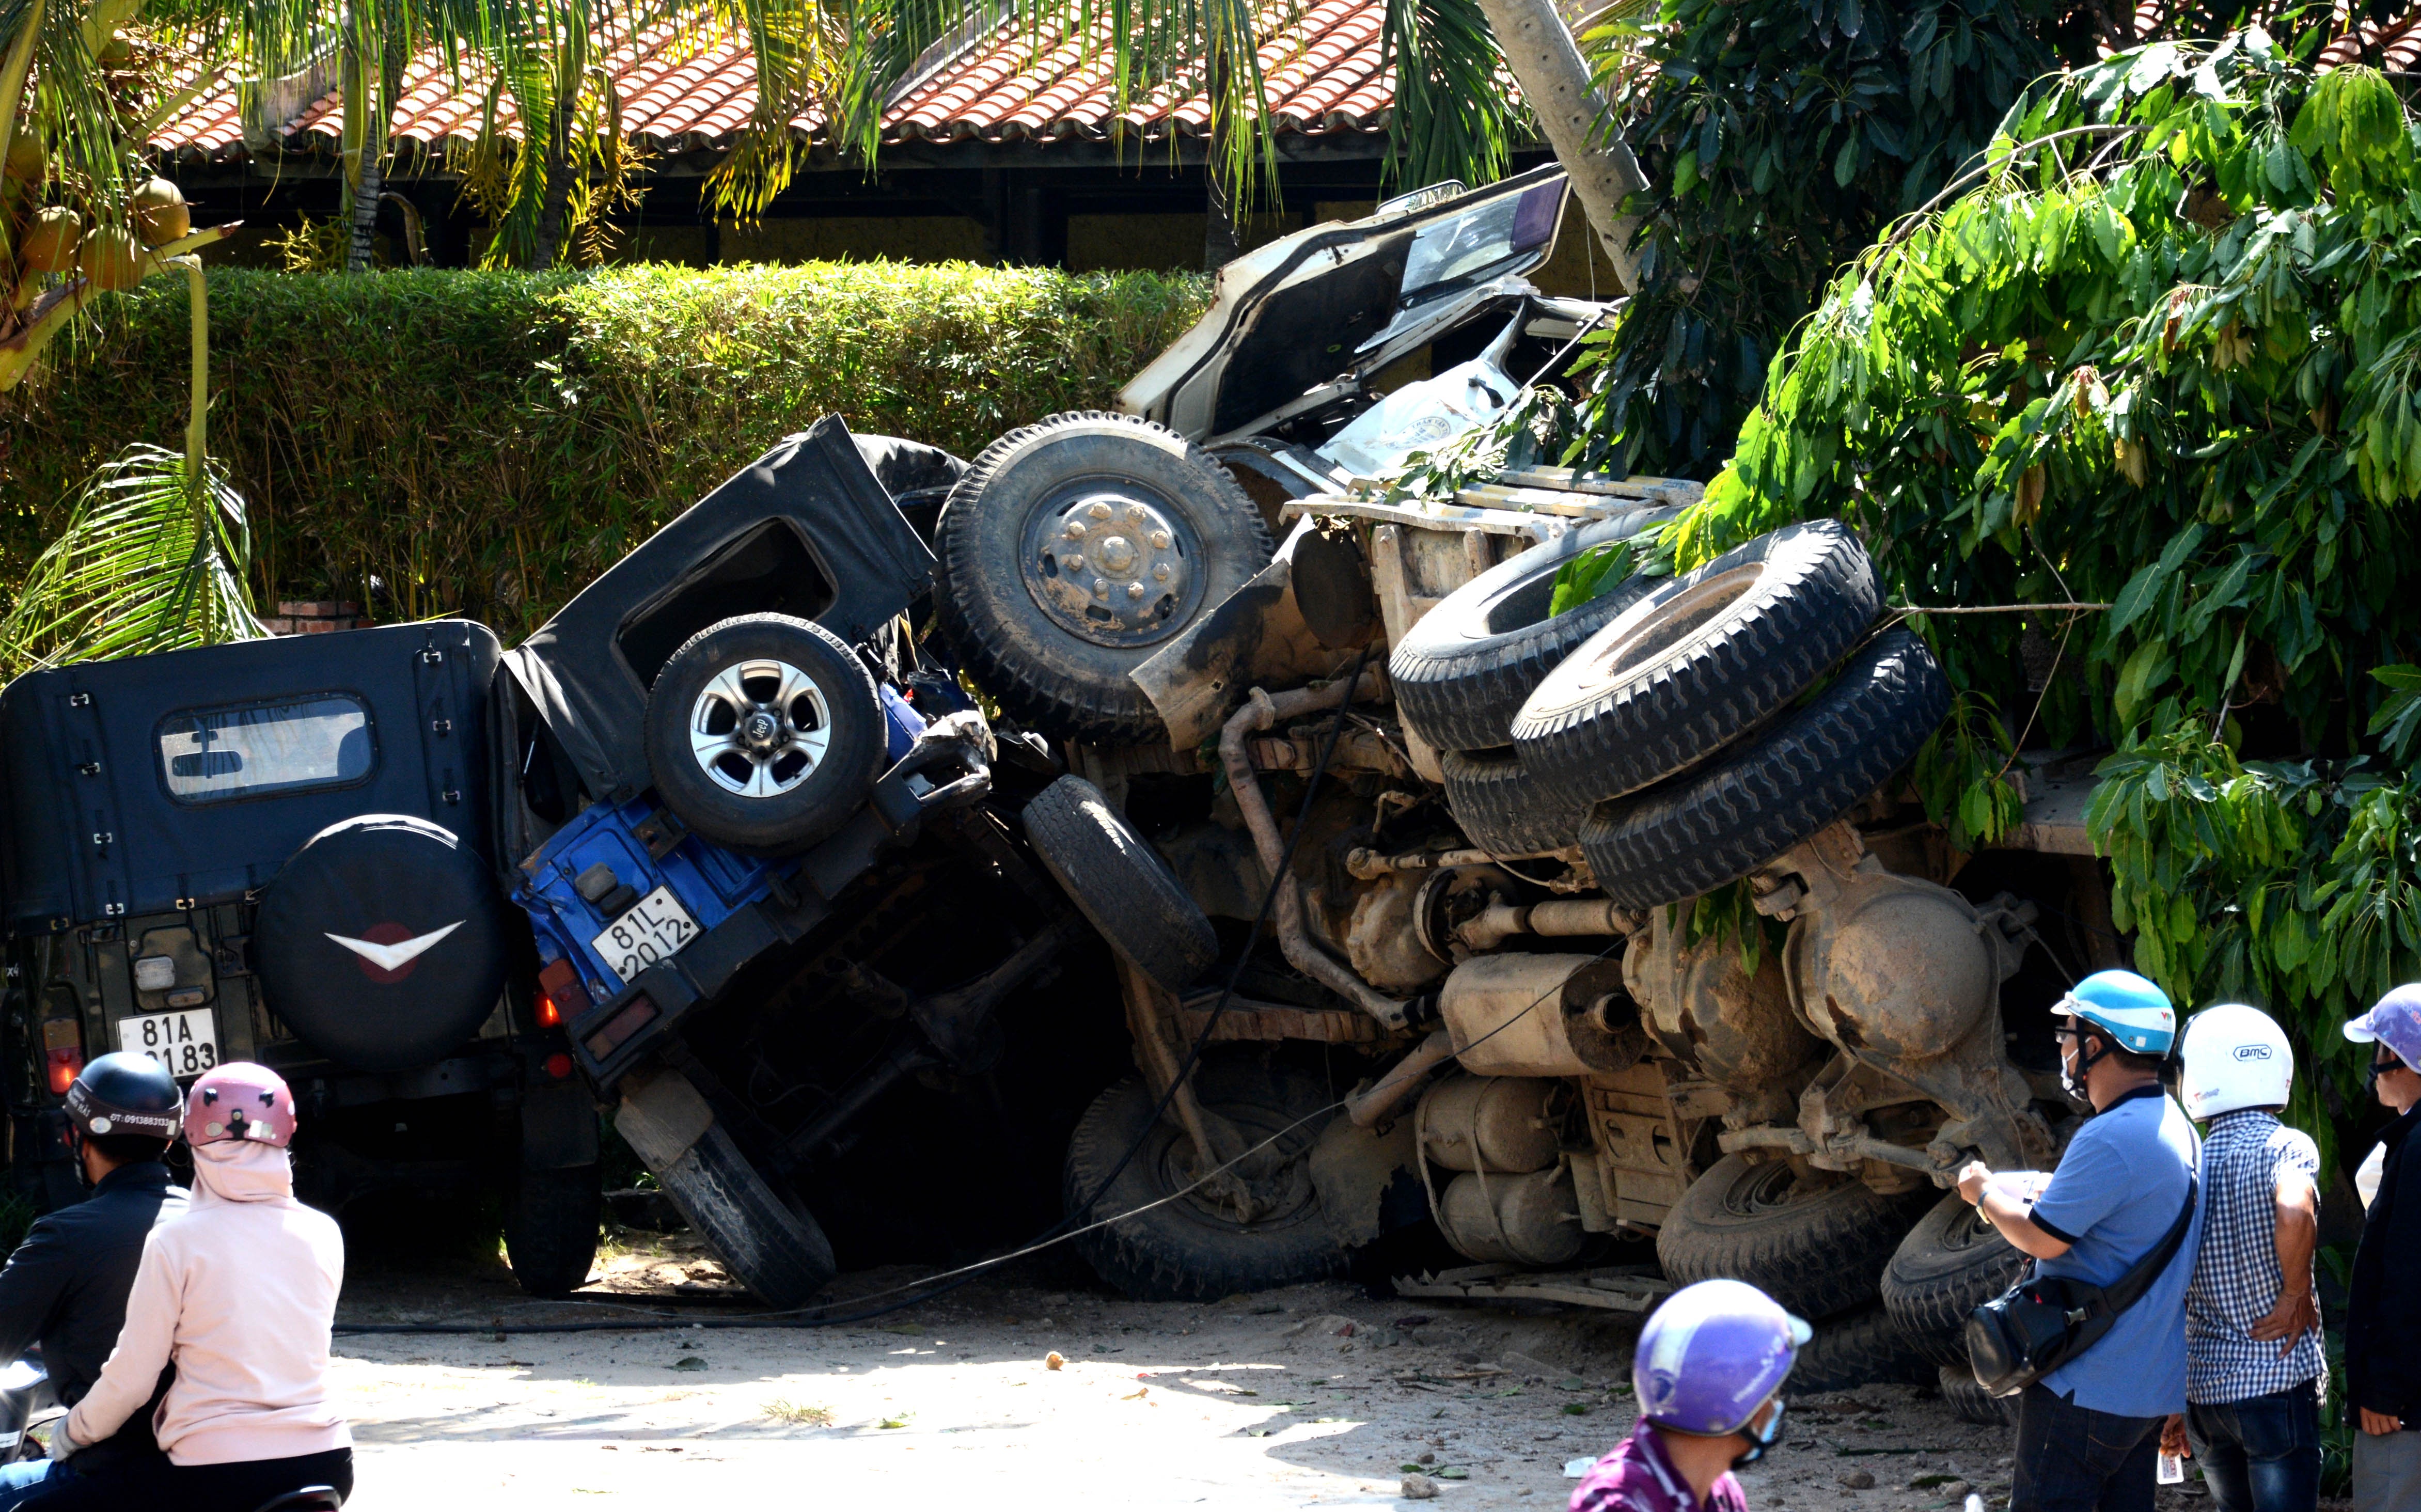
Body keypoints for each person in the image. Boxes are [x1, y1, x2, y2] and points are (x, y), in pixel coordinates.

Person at [22, 1062, 350, 1512]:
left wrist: (68, 1435)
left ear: (193, 1139)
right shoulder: (324, 1232)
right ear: (286, 1133)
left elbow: (132, 1379)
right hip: (329, 1463)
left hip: (214, 1474)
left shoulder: (177, 1240)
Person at [1952, 968, 2201, 1512]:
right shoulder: (2172, 1122)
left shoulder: (2110, 1135)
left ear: (2093, 1046)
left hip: (2085, 1384)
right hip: (2143, 1388)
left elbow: (2041, 1240)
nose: (2061, 1048)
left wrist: (1980, 1192)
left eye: (2066, 1035)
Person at [0, 1055, 186, 1509]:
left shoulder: (65, 1236)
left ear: (75, 1138)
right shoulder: (211, 1220)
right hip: (221, 1462)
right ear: (169, 1139)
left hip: (118, 1471)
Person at [2166, 1003, 2322, 1512]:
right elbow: (2294, 1209)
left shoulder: (2187, 1162)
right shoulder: (2284, 1146)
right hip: (2273, 1380)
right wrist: (2294, 1292)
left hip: (2204, 1392)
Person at [1569, 1279, 1807, 1512]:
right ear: (1750, 1412)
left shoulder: (1722, 1493)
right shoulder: (1617, 1503)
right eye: (1773, 1393)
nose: (1776, 1406)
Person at [2342, 984, 2421, 1512]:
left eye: (2381, 1055)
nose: (2374, 1069)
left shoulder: (2416, 1148)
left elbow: (2407, 1275)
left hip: (2404, 1407)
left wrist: (2384, 1391)